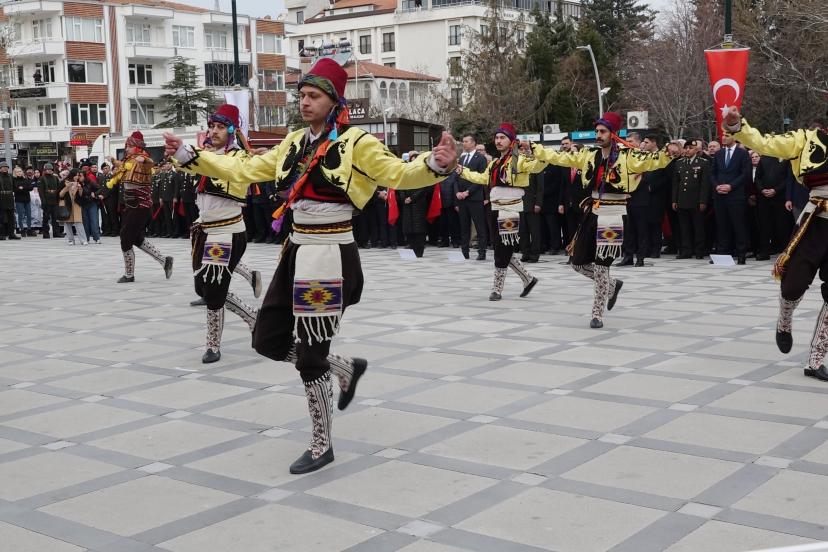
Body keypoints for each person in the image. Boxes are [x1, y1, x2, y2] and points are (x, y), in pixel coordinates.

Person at [164, 58, 458, 474]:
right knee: (266, 339)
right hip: (296, 250)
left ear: (333, 100)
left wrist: (435, 164)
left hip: (329, 256)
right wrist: (189, 155)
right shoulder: (293, 142)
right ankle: (343, 367)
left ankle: (322, 443)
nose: (304, 102)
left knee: (310, 355)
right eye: (301, 95)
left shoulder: (356, 142)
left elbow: (396, 173)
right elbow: (245, 167)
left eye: (313, 95)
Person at [528, 112, 680, 327]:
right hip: (592, 213)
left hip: (614, 215)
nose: (598, 135)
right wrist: (535, 148)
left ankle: (597, 313)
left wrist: (668, 151)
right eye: (597, 131)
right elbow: (560, 157)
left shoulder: (628, 156)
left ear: (613, 133)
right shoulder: (589, 154)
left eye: (603, 131)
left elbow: (653, 161)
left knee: (601, 266)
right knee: (578, 263)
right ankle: (612, 285)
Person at [724, 108, 828, 382]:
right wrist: (737, 127)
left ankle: (815, 360)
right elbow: (766, 143)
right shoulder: (807, 138)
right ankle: (784, 319)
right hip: (816, 221)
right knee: (793, 285)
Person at [174, 104, 262, 363]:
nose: (213, 131)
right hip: (204, 229)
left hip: (226, 231)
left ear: (232, 131)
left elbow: (224, 167)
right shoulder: (206, 155)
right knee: (203, 288)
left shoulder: (238, 157)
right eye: (211, 126)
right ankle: (252, 317)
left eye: (220, 127)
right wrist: (178, 153)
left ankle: (212, 345)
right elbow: (185, 164)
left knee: (214, 290)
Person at [456, 123, 542, 300]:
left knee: (502, 249)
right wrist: (462, 170)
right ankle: (528, 279)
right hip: (495, 208)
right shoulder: (495, 163)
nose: (498, 141)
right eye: (496, 138)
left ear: (511, 140)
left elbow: (538, 166)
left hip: (510, 209)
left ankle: (497, 288)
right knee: (501, 247)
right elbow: (482, 178)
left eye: (502, 137)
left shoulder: (519, 159)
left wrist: (533, 149)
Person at [105, 132, 174, 283]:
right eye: (127, 146)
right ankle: (164, 261)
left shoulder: (142, 159)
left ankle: (129, 274)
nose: (127, 149)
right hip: (132, 206)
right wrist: (113, 161)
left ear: (137, 147)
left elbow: (150, 164)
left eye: (129, 146)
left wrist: (145, 159)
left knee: (125, 238)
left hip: (140, 207)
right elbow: (123, 167)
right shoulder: (129, 160)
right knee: (136, 238)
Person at [711, 133, 751, 263]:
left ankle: (741, 254)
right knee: (722, 225)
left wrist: (731, 186)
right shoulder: (719, 154)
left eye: (727, 135)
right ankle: (722, 253)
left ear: (734, 138)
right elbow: (713, 173)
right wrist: (717, 186)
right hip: (720, 195)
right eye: (723, 136)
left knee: (738, 224)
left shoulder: (742, 154)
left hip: (735, 195)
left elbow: (745, 174)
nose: (724, 138)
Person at [452, 134, 489, 260]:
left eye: (466, 141)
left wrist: (468, 192)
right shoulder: (462, 158)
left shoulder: (481, 158)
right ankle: (464, 251)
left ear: (473, 143)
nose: (464, 143)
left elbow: (481, 179)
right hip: (462, 199)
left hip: (475, 198)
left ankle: (482, 251)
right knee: (464, 226)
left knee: (479, 226)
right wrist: (457, 192)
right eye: (463, 141)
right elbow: (456, 177)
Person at [672, 138, 710, 259]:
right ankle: (686, 250)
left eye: (691, 148)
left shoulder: (703, 163)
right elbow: (676, 183)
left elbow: (705, 184)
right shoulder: (679, 163)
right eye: (686, 148)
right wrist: (674, 200)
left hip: (696, 200)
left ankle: (699, 251)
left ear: (696, 150)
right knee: (684, 227)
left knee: (698, 227)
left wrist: (703, 201)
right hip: (682, 199)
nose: (688, 150)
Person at [58, 169, 88, 245]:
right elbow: (60, 195)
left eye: (78, 175)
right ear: (72, 175)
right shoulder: (64, 182)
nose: (77, 177)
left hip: (76, 205)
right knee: (67, 222)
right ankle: (70, 240)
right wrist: (67, 187)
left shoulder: (79, 183)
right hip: (67, 204)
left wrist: (80, 189)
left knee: (79, 222)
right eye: (76, 175)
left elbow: (81, 196)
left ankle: (83, 240)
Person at [37, 163, 62, 239]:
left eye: (50, 169)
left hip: (54, 200)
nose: (49, 170)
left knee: (55, 218)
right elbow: (41, 191)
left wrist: (58, 198)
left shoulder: (55, 178)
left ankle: (56, 233)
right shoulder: (42, 179)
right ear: (45, 170)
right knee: (46, 218)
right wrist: (43, 201)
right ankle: (46, 233)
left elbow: (59, 188)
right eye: (47, 169)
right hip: (47, 200)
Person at [0, 162, 20, 240]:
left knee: (11, 218)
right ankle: (1, 234)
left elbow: (15, 187)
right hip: (1, 198)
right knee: (1, 218)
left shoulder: (10, 176)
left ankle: (11, 234)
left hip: (10, 198)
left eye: (6, 167)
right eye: (3, 167)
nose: (5, 168)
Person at [13, 167, 33, 237]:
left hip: (27, 199)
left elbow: (31, 187)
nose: (19, 173)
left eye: (20, 171)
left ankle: (29, 229)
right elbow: (15, 189)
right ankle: (22, 230)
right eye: (17, 171)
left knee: (29, 215)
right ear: (15, 173)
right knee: (20, 215)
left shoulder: (25, 179)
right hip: (19, 200)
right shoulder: (14, 180)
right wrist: (23, 188)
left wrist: (23, 188)